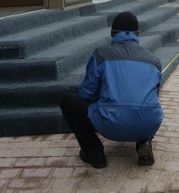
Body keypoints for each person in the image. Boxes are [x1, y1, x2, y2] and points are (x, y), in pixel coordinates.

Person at [59, 12, 162, 169]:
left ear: (113, 34)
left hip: (110, 125)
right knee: (145, 104)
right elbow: (154, 95)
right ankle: (144, 142)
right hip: (149, 123)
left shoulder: (101, 54)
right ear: (138, 34)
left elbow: (87, 93)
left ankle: (95, 154)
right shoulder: (154, 61)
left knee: (68, 102)